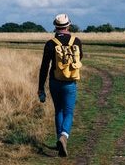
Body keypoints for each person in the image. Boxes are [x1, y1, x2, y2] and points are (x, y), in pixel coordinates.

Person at [38, 13, 83, 157]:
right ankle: (64, 136)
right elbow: (79, 58)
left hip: (54, 82)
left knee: (59, 111)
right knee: (69, 112)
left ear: (55, 27)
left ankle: (59, 140)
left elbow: (44, 67)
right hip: (70, 82)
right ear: (68, 25)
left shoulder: (50, 43)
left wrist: (41, 88)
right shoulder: (76, 41)